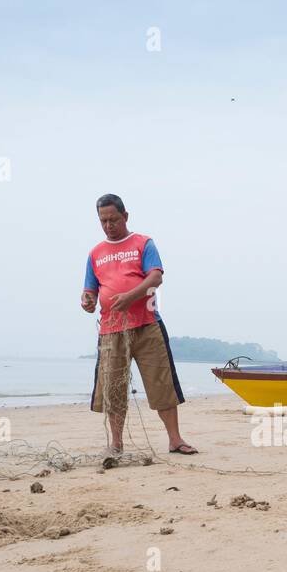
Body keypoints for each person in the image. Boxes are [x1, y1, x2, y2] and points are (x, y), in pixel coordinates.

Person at [81, 194, 197, 455]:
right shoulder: (95, 254)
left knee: (161, 383)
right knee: (113, 387)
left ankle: (175, 439)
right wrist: (87, 300)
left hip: (147, 325)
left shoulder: (143, 243)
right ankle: (117, 443)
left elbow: (156, 276)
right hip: (111, 330)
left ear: (125, 216)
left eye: (113, 219)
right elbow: (90, 290)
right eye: (103, 221)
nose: (109, 225)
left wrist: (131, 296)